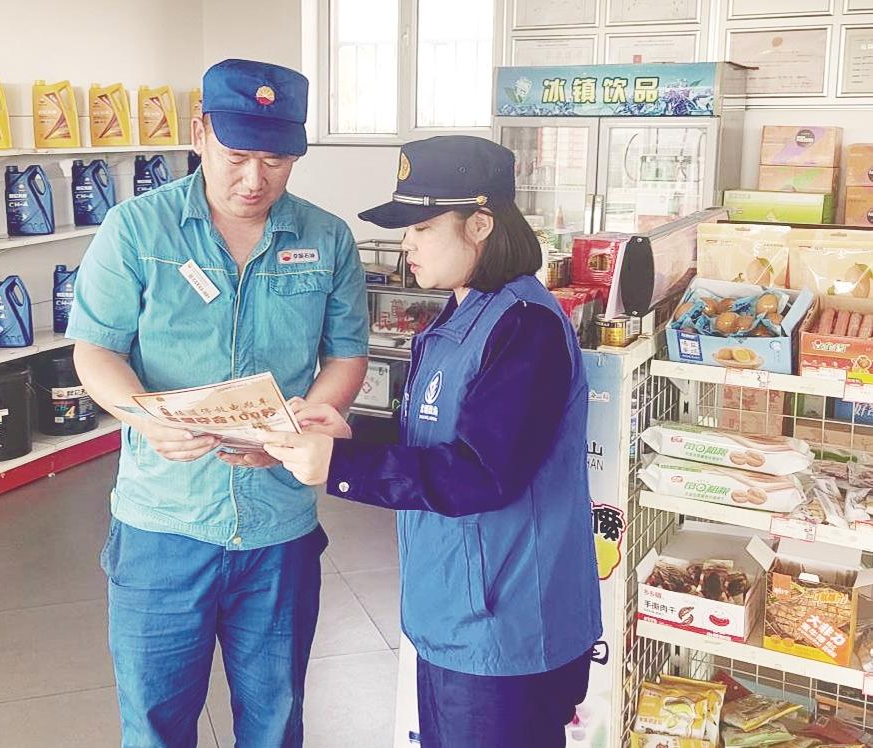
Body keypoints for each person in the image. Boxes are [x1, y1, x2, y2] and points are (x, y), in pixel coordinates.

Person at [65, 58, 369, 747]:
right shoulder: (136, 230)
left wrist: (298, 432)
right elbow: (96, 350)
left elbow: (346, 355)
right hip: (162, 524)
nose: (255, 179)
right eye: (237, 156)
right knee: (156, 724)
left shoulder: (326, 238)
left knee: (275, 721)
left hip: (278, 528)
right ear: (200, 133)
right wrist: (145, 417)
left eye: (276, 160)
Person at [263, 136, 602, 748]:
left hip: (508, 630)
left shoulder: (523, 325)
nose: (406, 244)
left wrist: (340, 466)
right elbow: (434, 430)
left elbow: (482, 472)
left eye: (421, 227)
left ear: (480, 224)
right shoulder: (462, 313)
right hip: (457, 612)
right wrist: (346, 431)